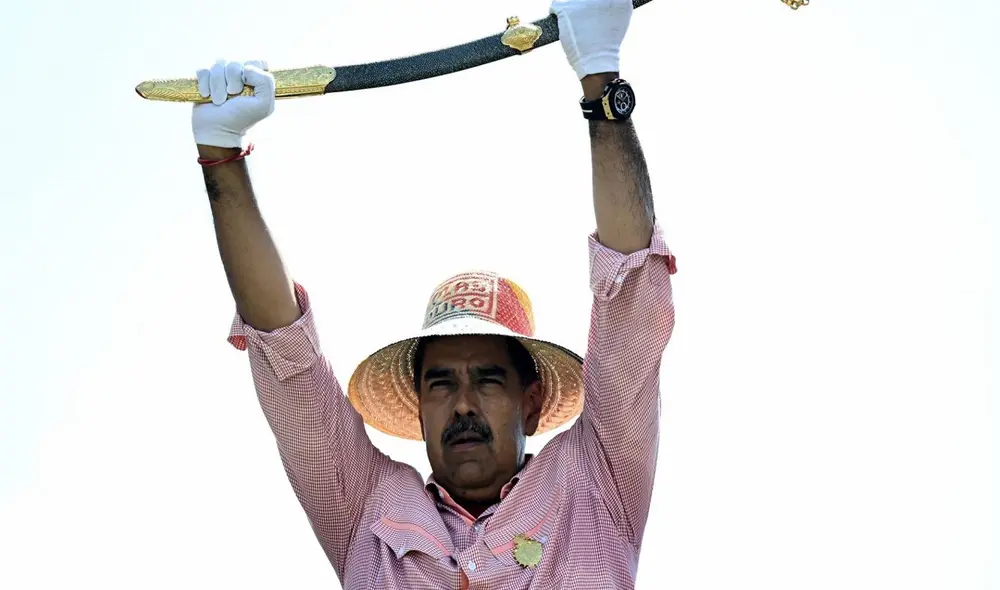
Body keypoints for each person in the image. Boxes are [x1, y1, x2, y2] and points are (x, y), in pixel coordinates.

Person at [191, 0, 676, 587]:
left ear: (530, 399)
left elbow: (629, 294)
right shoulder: (366, 508)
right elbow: (287, 359)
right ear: (419, 407)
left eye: (488, 379)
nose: (463, 405)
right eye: (440, 383)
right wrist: (222, 157)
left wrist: (602, 82)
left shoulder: (595, 480)